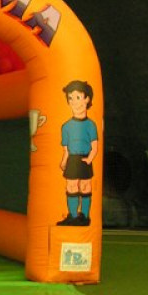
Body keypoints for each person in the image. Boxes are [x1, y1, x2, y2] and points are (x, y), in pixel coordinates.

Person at [56, 80, 98, 226]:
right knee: (71, 185)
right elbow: (66, 149)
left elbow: (94, 146)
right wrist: (64, 161)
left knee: (85, 186)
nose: (74, 102)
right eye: (71, 98)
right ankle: (73, 216)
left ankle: (85, 216)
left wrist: (90, 159)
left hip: (85, 157)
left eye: (78, 97)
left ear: (87, 99)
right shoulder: (66, 126)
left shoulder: (90, 125)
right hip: (72, 159)